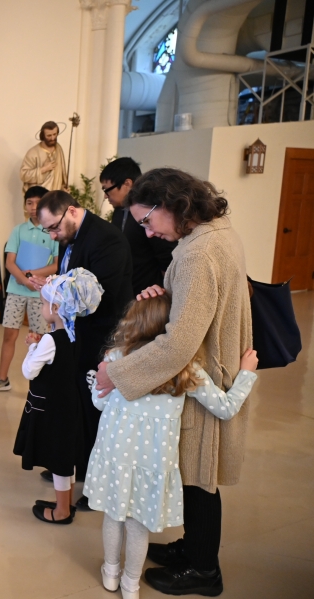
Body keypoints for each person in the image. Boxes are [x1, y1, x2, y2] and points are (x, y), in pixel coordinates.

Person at [94, 168, 253, 596]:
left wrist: (117, 371)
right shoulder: (215, 232)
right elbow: (190, 310)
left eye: (147, 221)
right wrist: (161, 298)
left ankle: (204, 570)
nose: (146, 233)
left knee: (200, 476)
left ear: (171, 204)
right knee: (191, 470)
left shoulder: (199, 253)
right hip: (207, 364)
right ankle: (192, 548)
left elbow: (180, 343)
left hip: (201, 372)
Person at [86, 293, 258, 599]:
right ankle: (130, 585)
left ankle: (110, 573)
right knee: (139, 525)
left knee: (114, 515)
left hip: (115, 457)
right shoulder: (185, 369)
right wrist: (246, 373)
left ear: (133, 322)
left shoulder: (116, 360)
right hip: (153, 463)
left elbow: (99, 402)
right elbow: (226, 407)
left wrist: (95, 383)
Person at [33, 191, 133, 494]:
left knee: (94, 410)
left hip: (101, 336)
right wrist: (53, 286)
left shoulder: (107, 239)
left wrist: (54, 292)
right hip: (76, 336)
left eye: (54, 227)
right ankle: (71, 464)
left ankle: (96, 482)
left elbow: (98, 298)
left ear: (72, 211)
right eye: (48, 229)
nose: (53, 235)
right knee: (73, 404)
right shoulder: (71, 236)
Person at [14, 268, 102, 525]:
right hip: (70, 403)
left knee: (58, 458)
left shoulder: (50, 341)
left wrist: (32, 346)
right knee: (66, 454)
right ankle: (66, 502)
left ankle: (62, 511)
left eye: (43, 303)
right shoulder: (75, 335)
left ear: (55, 307)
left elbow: (29, 370)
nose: (42, 307)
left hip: (50, 408)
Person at [0, 185, 59, 394]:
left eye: (38, 203)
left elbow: (56, 265)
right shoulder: (18, 230)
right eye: (29, 203)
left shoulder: (52, 230)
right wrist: (25, 281)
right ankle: (2, 379)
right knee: (9, 336)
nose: (33, 207)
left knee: (40, 338)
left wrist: (35, 275)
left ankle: (41, 384)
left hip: (40, 294)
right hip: (17, 291)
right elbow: (9, 262)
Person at [100, 158, 177, 295]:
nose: (106, 196)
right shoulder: (118, 211)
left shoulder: (149, 212)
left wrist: (167, 295)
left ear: (127, 183)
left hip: (148, 294)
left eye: (107, 190)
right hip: (125, 292)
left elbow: (166, 257)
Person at [20, 121, 68, 193]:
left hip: (55, 196)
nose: (52, 138)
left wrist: (62, 188)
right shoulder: (33, 153)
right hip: (40, 197)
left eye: (54, 134)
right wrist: (43, 169)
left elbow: (59, 175)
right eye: (49, 135)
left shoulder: (58, 148)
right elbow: (23, 175)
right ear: (43, 136)